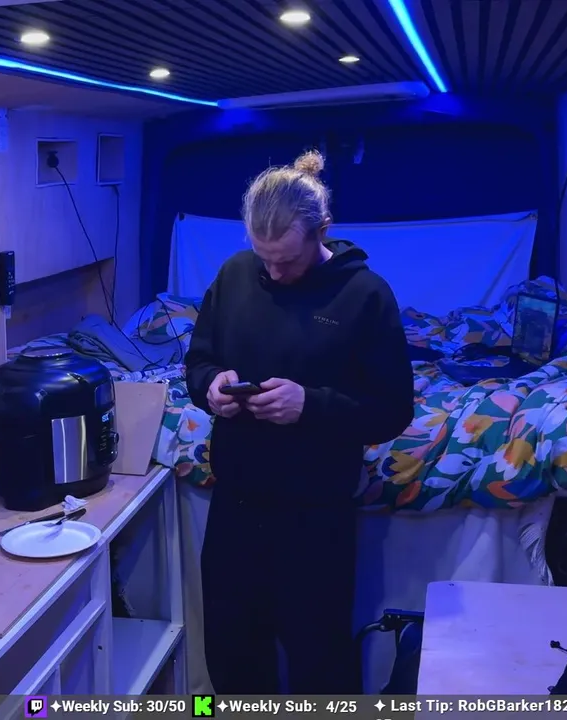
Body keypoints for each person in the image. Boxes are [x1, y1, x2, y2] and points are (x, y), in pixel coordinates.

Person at [184, 150, 415, 694]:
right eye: (263, 257)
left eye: (287, 260)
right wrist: (211, 388)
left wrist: (309, 405)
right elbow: (198, 360)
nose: (274, 272)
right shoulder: (234, 275)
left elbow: (392, 409)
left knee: (320, 660)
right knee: (231, 650)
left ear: (321, 231)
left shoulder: (365, 294)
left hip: (316, 512)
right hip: (236, 503)